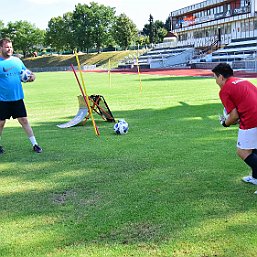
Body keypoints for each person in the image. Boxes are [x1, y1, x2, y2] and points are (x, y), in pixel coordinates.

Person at [212, 63, 257, 193]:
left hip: (252, 120)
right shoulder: (244, 81)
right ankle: (255, 177)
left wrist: (225, 123)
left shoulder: (225, 90)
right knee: (253, 148)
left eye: (215, 77)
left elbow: (233, 115)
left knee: (243, 151)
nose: (215, 81)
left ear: (221, 77)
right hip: (253, 116)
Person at [0, 38, 42, 154]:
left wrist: (32, 77)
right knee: (1, 123)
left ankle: (35, 144)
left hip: (17, 98)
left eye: (11, 47)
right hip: (2, 100)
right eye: (7, 47)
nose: (10, 49)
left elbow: (28, 73)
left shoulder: (17, 61)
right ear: (1, 48)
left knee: (24, 120)